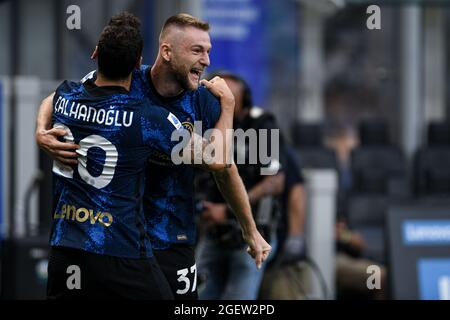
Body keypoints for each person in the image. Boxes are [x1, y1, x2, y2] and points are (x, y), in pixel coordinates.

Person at [36, 13, 271, 300]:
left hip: (171, 235)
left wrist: (250, 229)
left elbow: (224, 167)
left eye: (209, 51)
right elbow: (61, 94)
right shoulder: (128, 81)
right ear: (167, 52)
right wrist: (40, 131)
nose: (207, 61)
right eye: (197, 50)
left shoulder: (205, 100)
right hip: (122, 237)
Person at [45, 16, 182, 299]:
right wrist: (227, 106)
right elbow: (215, 159)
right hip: (120, 249)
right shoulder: (148, 119)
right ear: (137, 64)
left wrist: (38, 130)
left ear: (95, 53)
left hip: (66, 248)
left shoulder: (65, 97)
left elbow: (50, 98)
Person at [196, 71, 284, 300]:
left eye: (228, 98)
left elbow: (275, 181)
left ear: (243, 103)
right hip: (212, 234)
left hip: (250, 236)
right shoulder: (204, 122)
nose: (220, 102)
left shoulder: (261, 123)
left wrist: (225, 211)